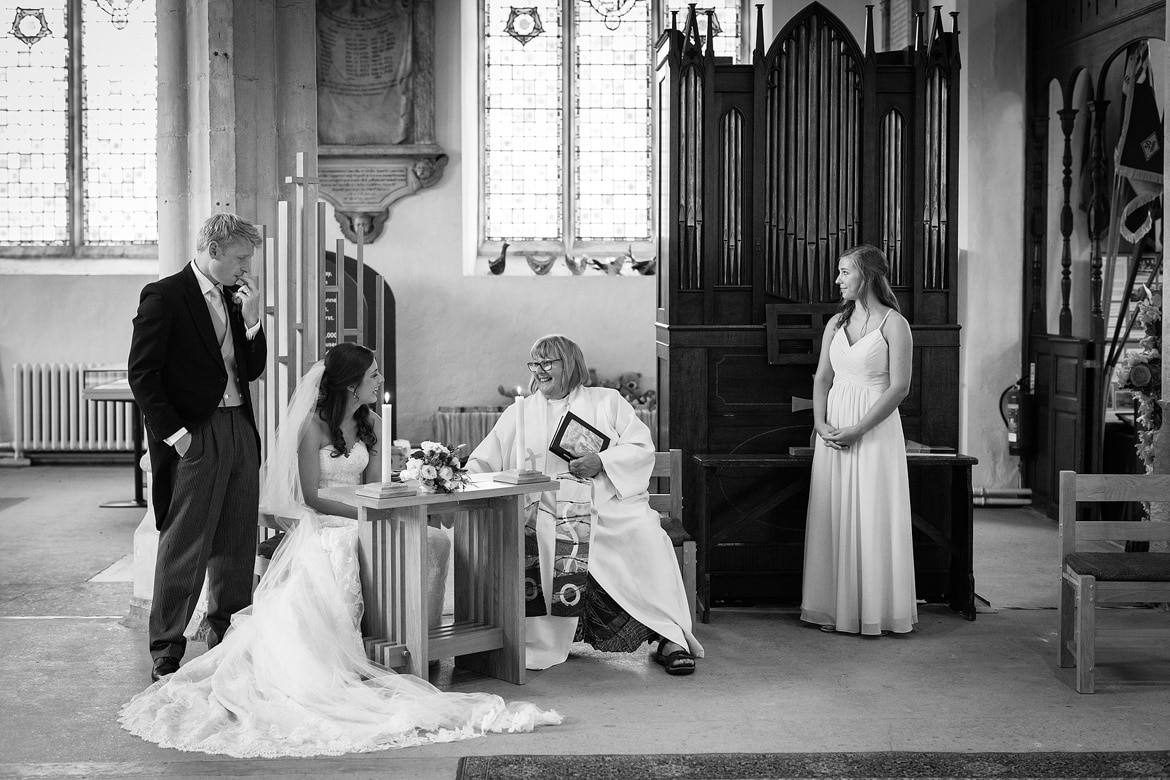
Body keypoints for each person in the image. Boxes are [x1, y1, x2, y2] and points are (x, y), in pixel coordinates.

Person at [119, 345, 561, 757]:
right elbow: (311, 497)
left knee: (433, 539)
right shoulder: (312, 427)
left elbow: (377, 485)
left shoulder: (370, 424)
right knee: (345, 544)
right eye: (373, 374)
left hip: (366, 509)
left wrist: (407, 492)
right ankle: (352, 650)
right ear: (350, 383)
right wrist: (362, 517)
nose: (379, 379)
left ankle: (413, 637)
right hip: (330, 517)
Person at [466, 335, 703, 675]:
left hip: (607, 505)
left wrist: (602, 461)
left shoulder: (608, 402)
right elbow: (483, 463)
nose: (539, 371)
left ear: (570, 365)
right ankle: (533, 638)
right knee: (543, 535)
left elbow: (641, 448)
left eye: (548, 363)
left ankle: (669, 636)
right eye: (535, 363)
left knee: (646, 533)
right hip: (547, 507)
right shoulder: (520, 411)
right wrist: (450, 474)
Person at [129, 213, 266, 682]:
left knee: (236, 538)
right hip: (195, 434)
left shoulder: (235, 298)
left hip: (240, 429)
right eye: (241, 257)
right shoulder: (165, 296)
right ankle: (167, 647)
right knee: (185, 542)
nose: (247, 267)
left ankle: (228, 635)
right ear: (214, 249)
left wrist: (251, 325)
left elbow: (251, 371)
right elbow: (142, 375)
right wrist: (177, 436)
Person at [800, 244, 917, 636]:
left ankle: (872, 611)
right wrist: (820, 422)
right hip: (834, 429)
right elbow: (821, 378)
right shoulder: (835, 323)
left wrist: (859, 430)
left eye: (845, 272)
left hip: (873, 431)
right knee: (832, 512)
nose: (838, 280)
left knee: (871, 511)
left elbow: (899, 388)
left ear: (866, 276)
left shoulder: (894, 325)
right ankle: (836, 608)